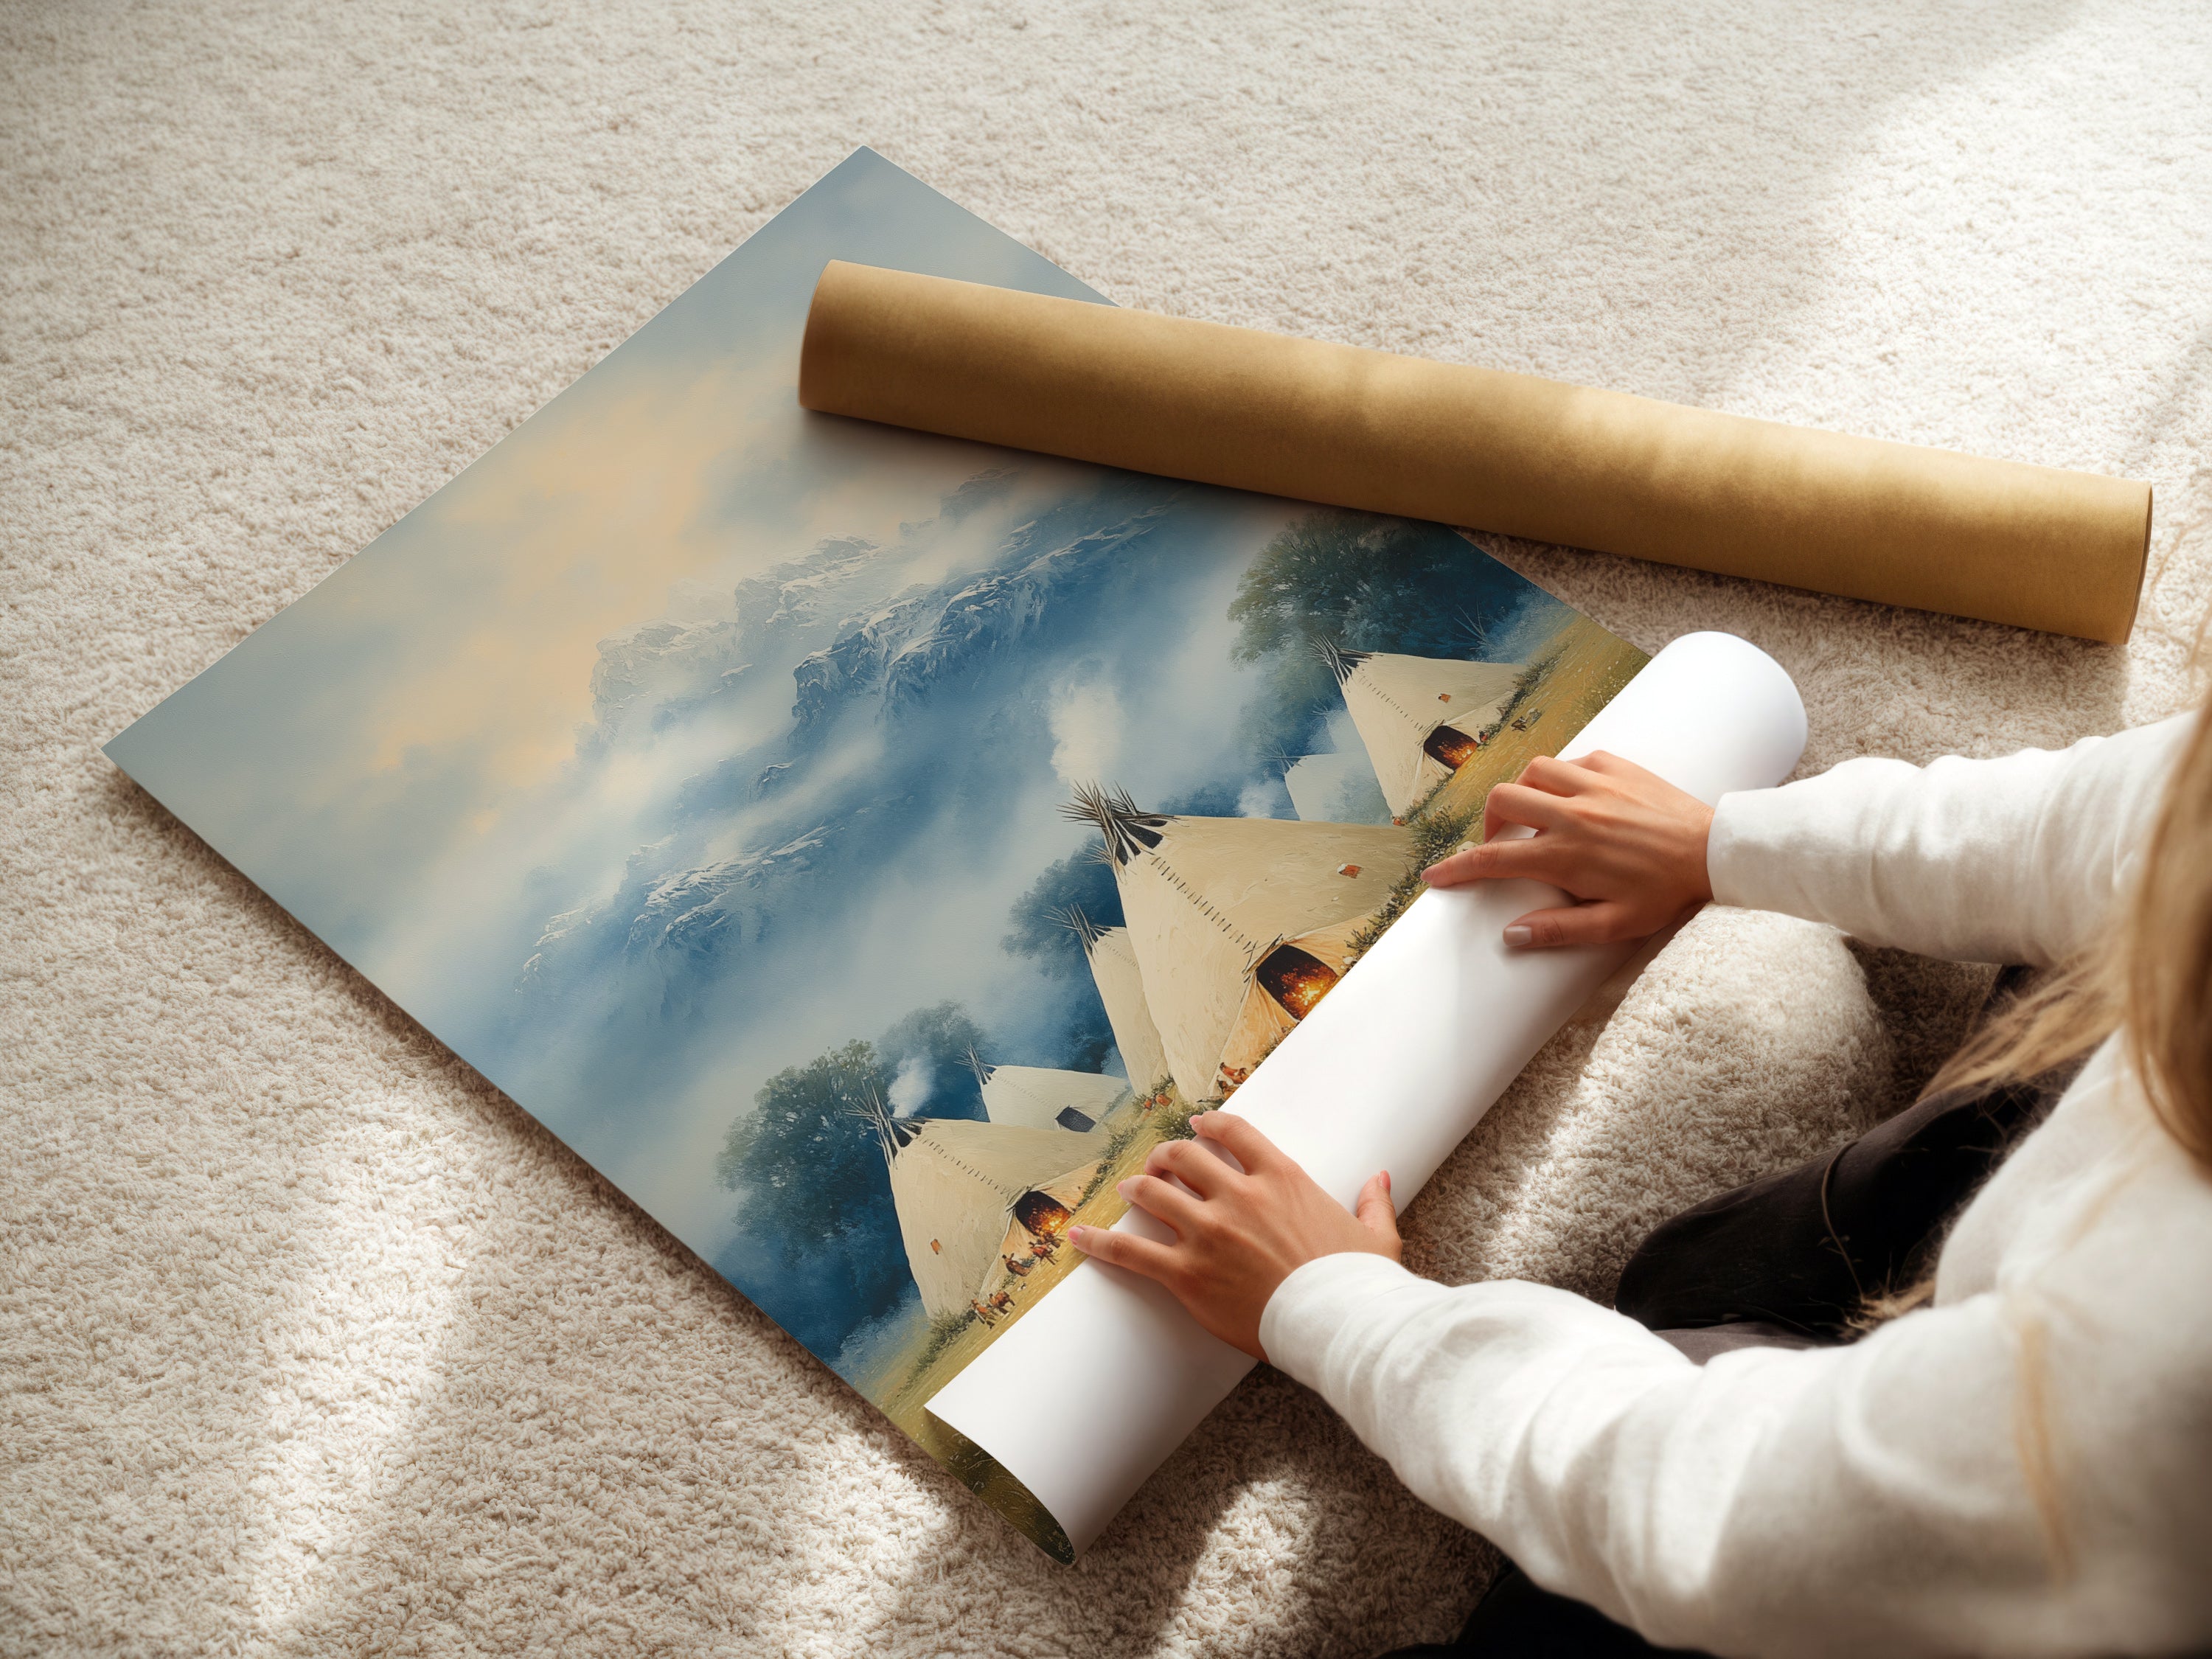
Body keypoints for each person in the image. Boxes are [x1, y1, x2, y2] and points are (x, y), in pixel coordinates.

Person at [1071, 714, 2212, 1656]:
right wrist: (1721, 841)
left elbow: (1718, 1511)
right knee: (1704, 1270)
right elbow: (2119, 819)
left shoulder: (2155, 1377)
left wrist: (1337, 1306)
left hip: (2039, 1540)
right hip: (2055, 1306)